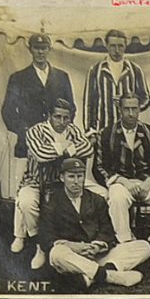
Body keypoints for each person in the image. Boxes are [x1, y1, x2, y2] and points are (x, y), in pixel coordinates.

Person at [94, 93, 150, 274]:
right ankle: (125, 245)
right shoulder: (106, 134)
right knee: (116, 198)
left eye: (134, 109)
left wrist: (149, 182)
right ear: (119, 109)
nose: (131, 113)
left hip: (147, 181)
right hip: (121, 182)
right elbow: (99, 167)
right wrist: (123, 181)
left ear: (140, 109)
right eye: (127, 109)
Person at [39, 157, 150, 289]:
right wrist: (73, 246)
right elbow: (46, 238)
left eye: (79, 176)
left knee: (143, 246)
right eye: (71, 177)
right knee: (56, 253)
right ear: (62, 177)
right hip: (73, 256)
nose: (76, 181)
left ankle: (90, 276)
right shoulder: (52, 203)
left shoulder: (96, 199)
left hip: (96, 254)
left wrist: (97, 246)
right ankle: (109, 276)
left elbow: (107, 230)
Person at [13, 99, 93, 268]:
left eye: (66, 117)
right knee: (27, 202)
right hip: (36, 181)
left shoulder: (72, 130)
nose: (62, 122)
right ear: (49, 115)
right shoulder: (36, 130)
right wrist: (66, 147)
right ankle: (40, 245)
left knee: (101, 194)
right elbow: (41, 154)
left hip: (62, 182)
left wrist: (60, 148)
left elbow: (88, 148)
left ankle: (90, 241)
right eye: (58, 117)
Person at [1, 32, 75, 164]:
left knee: (58, 180)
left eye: (44, 48)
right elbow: (8, 111)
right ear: (30, 50)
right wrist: (25, 131)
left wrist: (61, 128)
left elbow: (71, 108)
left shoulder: (62, 77)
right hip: (28, 143)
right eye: (36, 48)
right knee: (29, 181)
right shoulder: (18, 78)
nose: (40, 52)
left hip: (58, 142)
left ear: (49, 49)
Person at [83, 28, 150, 135]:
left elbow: (146, 98)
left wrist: (129, 106)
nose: (117, 50)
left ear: (125, 46)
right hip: (103, 130)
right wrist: (89, 131)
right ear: (106, 45)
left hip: (129, 131)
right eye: (113, 46)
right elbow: (89, 103)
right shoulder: (95, 70)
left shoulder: (134, 69)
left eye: (120, 46)